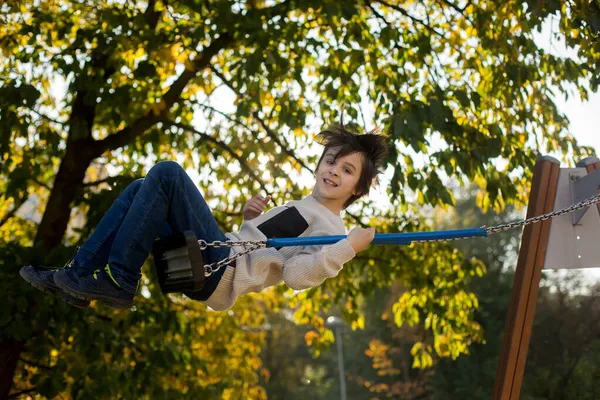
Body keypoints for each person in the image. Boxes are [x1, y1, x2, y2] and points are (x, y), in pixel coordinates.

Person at [20, 123, 389, 311]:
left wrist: (347, 249)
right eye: (330, 161)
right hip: (215, 260)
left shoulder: (333, 228)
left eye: (347, 170)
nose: (333, 171)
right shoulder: (303, 206)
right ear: (318, 164)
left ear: (358, 188)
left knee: (166, 174)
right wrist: (248, 220)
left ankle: (121, 278)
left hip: (219, 272)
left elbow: (295, 276)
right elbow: (265, 248)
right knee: (140, 190)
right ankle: (79, 273)